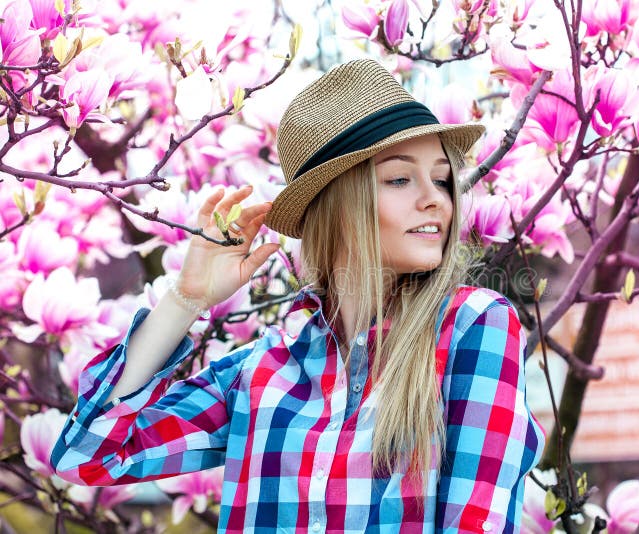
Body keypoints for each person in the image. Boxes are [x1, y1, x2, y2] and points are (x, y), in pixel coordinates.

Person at [51, 59, 544, 533]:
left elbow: (477, 523)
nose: (436, 197)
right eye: (399, 178)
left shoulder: (473, 327)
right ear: (335, 206)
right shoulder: (262, 371)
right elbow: (85, 456)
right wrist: (186, 298)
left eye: (440, 177)